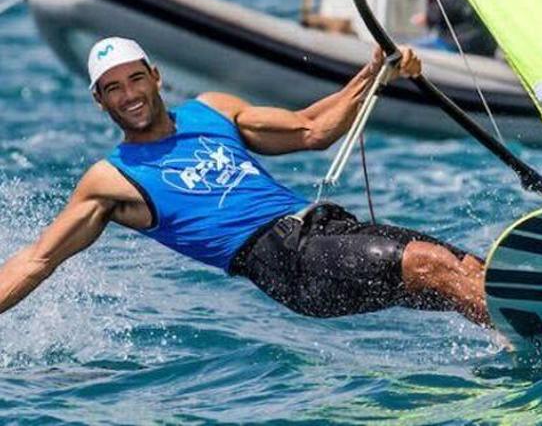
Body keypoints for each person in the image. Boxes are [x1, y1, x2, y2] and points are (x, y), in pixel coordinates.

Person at [0, 37, 488, 325]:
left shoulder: (211, 111)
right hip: (288, 265)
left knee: (467, 268)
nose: (128, 95)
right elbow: (38, 259)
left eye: (135, 79)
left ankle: (521, 337)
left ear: (156, 76)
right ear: (99, 101)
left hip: (325, 231)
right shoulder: (111, 179)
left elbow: (312, 129)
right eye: (112, 88)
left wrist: (377, 72)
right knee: (429, 264)